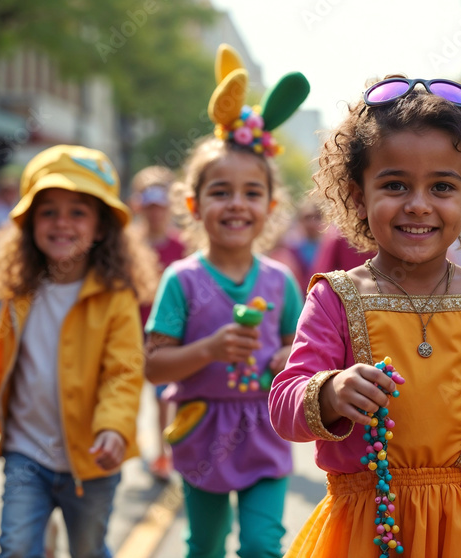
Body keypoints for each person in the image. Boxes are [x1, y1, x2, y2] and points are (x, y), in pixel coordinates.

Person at [270, 75, 461, 558]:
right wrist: (329, 391)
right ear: (357, 195)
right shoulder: (334, 298)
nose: (418, 204)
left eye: (442, 186)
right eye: (394, 184)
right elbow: (285, 403)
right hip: (367, 532)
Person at [144, 44, 308, 558]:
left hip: (264, 432)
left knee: (263, 545)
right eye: (221, 191)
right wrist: (210, 349)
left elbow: (301, 355)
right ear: (193, 204)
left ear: (270, 206)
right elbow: (153, 366)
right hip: (201, 431)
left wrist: (288, 361)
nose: (236, 203)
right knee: (205, 547)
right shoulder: (181, 280)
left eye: (251, 192)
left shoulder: (281, 282)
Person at [0, 145, 151, 558]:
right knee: (16, 549)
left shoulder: (116, 298)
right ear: (29, 224)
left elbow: (124, 373)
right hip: (27, 454)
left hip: (94, 458)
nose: (62, 223)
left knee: (88, 549)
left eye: (78, 212)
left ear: (100, 227)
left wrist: (113, 427)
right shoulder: (17, 296)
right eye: (48, 211)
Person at [129, 164, 186, 482]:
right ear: (138, 205)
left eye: (160, 206)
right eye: (148, 206)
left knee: (163, 395)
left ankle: (164, 453)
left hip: (167, 335)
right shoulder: (128, 245)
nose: (155, 213)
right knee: (128, 391)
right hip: (129, 332)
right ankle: (132, 444)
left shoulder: (181, 246)